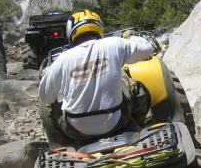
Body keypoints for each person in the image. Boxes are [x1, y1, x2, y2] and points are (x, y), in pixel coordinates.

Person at [39, 9, 155, 143]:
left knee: (48, 104)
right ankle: (145, 124)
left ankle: (60, 144)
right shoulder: (114, 43)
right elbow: (147, 49)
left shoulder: (61, 59)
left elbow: (45, 96)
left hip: (76, 131)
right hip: (117, 122)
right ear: (98, 27)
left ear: (71, 32)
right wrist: (132, 38)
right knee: (129, 81)